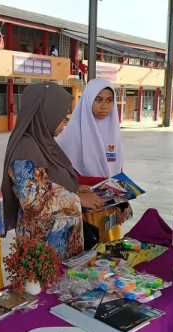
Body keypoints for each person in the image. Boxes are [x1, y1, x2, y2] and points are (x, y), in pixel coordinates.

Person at [1, 82, 87, 260]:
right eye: (63, 117)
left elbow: (48, 184)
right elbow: (35, 205)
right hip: (42, 254)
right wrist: (78, 200)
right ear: (46, 113)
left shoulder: (43, 143)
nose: (65, 122)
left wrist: (74, 191)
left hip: (61, 247)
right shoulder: (25, 149)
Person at [57, 78, 130, 247]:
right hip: (84, 211)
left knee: (110, 258)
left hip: (110, 210)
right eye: (98, 100)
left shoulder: (114, 132)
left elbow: (117, 170)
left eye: (109, 100)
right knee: (88, 259)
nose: (104, 106)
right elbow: (61, 178)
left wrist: (123, 203)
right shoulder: (69, 137)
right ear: (88, 100)